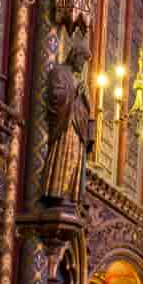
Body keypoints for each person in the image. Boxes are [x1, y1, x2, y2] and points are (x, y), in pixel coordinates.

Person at [40, 36, 95, 206]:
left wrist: (86, 99)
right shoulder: (59, 72)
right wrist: (75, 94)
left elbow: (86, 111)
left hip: (77, 128)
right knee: (62, 158)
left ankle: (70, 194)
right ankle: (56, 193)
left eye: (85, 62)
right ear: (74, 56)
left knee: (75, 161)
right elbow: (56, 96)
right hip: (64, 128)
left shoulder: (79, 80)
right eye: (81, 60)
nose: (82, 65)